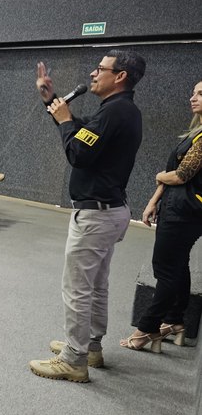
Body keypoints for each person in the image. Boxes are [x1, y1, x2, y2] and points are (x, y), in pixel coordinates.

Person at [29, 50, 146, 383]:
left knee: (78, 288)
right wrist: (52, 102)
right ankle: (90, 346)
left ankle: (74, 359)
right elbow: (83, 137)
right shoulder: (119, 111)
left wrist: (65, 119)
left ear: (120, 76)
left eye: (100, 69)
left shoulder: (115, 112)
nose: (93, 74)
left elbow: (78, 153)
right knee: (96, 284)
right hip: (110, 211)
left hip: (95, 215)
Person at [119, 80, 202, 353]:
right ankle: (174, 322)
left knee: (165, 269)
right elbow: (172, 177)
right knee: (178, 265)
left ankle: (147, 329)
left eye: (201, 94)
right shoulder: (195, 133)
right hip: (176, 208)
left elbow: (182, 175)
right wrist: (153, 201)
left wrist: (157, 176)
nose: (193, 98)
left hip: (185, 213)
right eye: (193, 92)